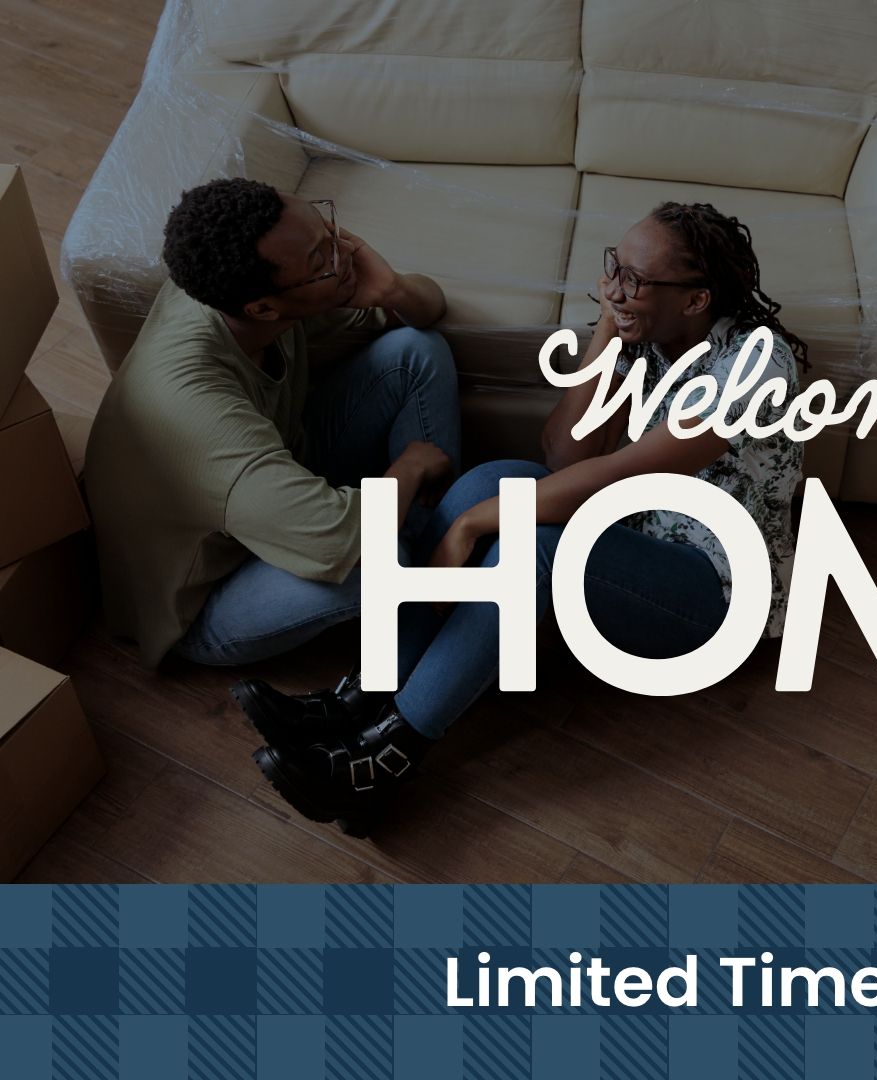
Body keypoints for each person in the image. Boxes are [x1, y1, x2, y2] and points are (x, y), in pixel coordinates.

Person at [243, 201, 808, 836]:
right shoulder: (647, 334)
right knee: (485, 480)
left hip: (711, 595)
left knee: (537, 543)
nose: (615, 287)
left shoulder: (755, 368)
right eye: (613, 267)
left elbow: (616, 473)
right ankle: (367, 695)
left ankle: (387, 759)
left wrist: (472, 527)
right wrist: (609, 329)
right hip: (636, 535)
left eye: (635, 279)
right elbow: (564, 453)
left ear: (697, 299)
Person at [84, 177, 464, 756]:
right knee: (380, 562)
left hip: (274, 494)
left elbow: (422, 311)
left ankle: (442, 564)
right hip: (207, 597)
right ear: (263, 307)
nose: (343, 253)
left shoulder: (251, 299)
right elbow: (345, 541)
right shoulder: (198, 411)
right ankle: (442, 592)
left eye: (329, 228)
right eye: (321, 258)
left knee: (415, 352)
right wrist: (409, 468)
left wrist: (390, 289)